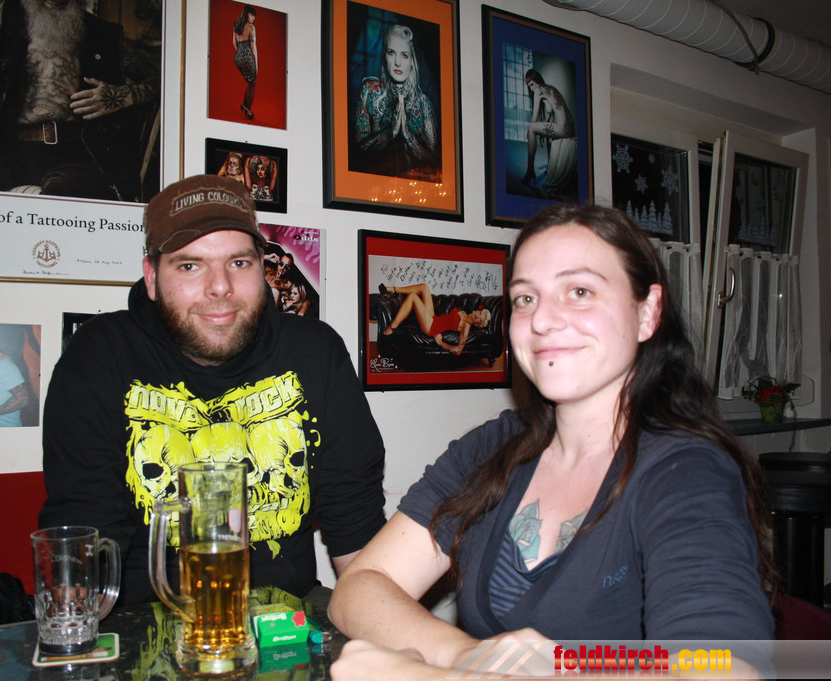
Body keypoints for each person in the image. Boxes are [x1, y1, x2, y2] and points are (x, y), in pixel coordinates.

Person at [329, 204, 774, 680]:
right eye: (525, 298)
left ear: (647, 313)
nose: (542, 320)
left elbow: (728, 670)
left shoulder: (685, 472)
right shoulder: (491, 448)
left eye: (579, 291)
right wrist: (462, 657)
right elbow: (361, 585)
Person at [39, 175, 386, 606]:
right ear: (152, 277)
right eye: (190, 265)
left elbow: (356, 530)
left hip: (285, 620)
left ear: (263, 268)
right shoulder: (100, 354)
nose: (220, 287)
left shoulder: (315, 351)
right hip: (141, 624)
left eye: (238, 263)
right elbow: (84, 536)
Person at [0, 0, 161, 201]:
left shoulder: (102, 32)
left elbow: (160, 77)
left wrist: (124, 96)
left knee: (64, 191)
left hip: (73, 153)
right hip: (5, 149)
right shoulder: (9, 16)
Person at [352, 24, 439, 181]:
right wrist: (390, 133)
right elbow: (358, 152)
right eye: (391, 52)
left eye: (404, 55)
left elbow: (433, 162)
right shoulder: (369, 91)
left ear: (412, 60)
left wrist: (407, 135)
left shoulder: (423, 103)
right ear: (384, 56)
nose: (397, 62)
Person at [378, 283, 491, 356]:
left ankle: (392, 327)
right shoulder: (464, 313)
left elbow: (458, 351)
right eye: (480, 314)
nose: (478, 316)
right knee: (424, 287)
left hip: (431, 327)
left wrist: (441, 343)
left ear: (478, 323)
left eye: (480, 319)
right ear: (477, 311)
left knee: (413, 297)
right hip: (434, 319)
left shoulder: (466, 327)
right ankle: (393, 290)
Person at [521, 69, 577, 198]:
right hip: (569, 128)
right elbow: (553, 115)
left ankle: (530, 171)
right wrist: (544, 130)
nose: (531, 89)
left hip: (562, 128)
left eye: (532, 85)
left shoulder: (539, 90)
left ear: (537, 81)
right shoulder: (551, 88)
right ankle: (549, 168)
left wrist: (530, 132)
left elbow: (534, 118)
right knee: (547, 133)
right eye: (529, 86)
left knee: (531, 127)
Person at [233, 5, 258, 120]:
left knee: (250, 82)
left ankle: (244, 105)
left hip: (238, 58)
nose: (253, 18)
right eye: (251, 15)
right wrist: (256, 64)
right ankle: (248, 110)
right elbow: (253, 47)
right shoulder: (251, 28)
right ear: (246, 14)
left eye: (254, 16)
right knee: (253, 83)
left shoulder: (237, 25)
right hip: (248, 57)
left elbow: (234, 43)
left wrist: (240, 54)